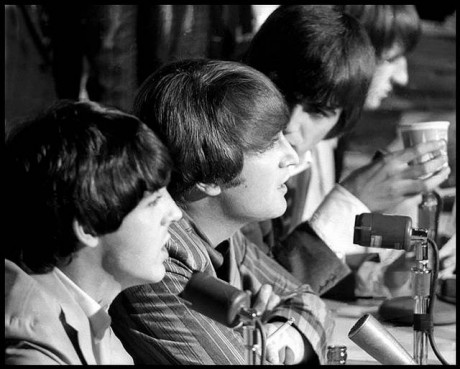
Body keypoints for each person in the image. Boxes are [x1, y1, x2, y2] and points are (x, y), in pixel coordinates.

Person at [109, 59, 333, 365]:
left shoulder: (226, 236)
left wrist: (285, 332)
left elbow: (308, 299)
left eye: (283, 136)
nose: (292, 157)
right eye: (268, 144)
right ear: (209, 177)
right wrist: (254, 335)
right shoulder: (159, 261)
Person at [242, 5, 450, 296]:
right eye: (389, 58)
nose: (290, 124)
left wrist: (374, 278)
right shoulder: (237, 164)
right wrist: (351, 202)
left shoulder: (325, 141)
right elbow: (260, 290)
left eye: (319, 111)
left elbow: (284, 260)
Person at [5, 100, 182, 365]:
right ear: (89, 227)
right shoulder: (33, 347)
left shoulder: (91, 315)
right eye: (153, 201)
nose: (175, 212)